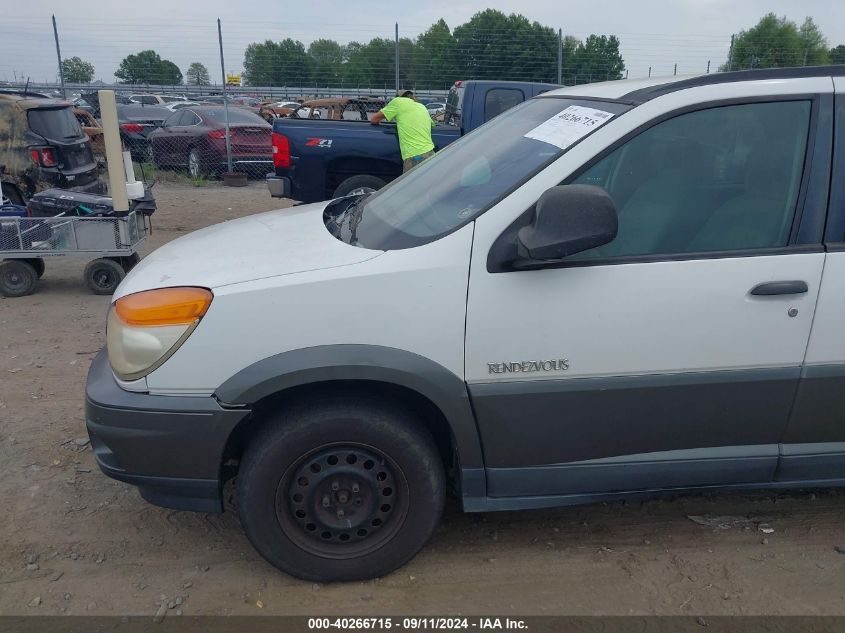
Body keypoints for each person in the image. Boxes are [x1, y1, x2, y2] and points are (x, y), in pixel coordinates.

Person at [371, 90, 435, 172]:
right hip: (430, 153)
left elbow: (374, 119)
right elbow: (432, 124)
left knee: (410, 184)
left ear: (399, 97)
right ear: (412, 98)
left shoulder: (398, 102)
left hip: (414, 156)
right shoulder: (422, 106)